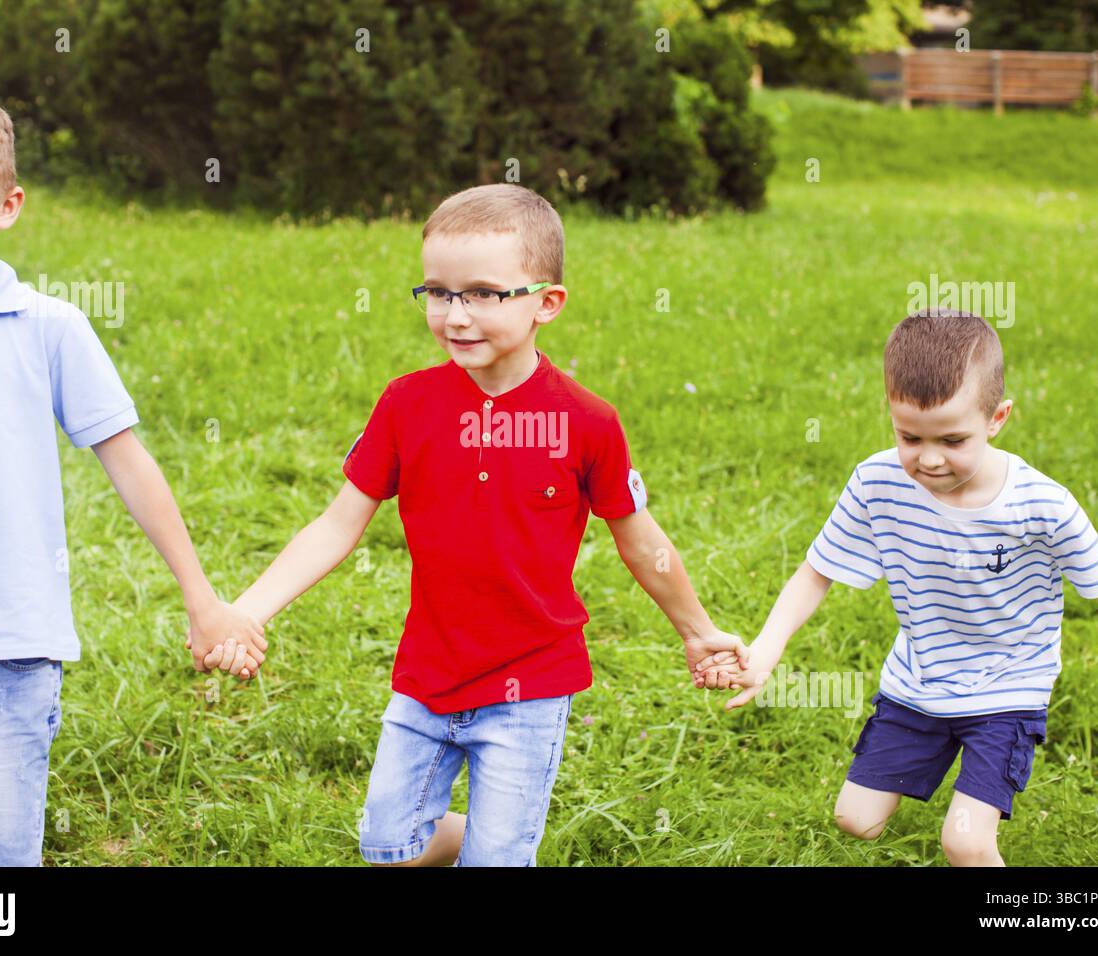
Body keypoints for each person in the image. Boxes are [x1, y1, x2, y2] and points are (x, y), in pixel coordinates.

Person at [221, 183, 747, 866]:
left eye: (484, 294)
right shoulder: (407, 404)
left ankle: (502, 847)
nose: (455, 315)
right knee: (387, 848)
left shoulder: (587, 422)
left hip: (529, 684)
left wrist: (699, 632)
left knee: (497, 862)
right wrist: (248, 610)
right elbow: (336, 525)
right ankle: (493, 841)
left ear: (547, 303)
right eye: (438, 292)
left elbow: (640, 540)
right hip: (427, 677)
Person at [0, 81, 267, 867]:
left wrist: (202, 598)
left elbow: (129, 465)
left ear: (7, 205)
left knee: (4, 867)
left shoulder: (50, 327)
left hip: (11, 652)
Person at [697, 309, 1098, 866]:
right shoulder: (877, 483)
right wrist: (765, 655)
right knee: (855, 819)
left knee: (964, 842)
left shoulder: (1041, 504)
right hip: (919, 681)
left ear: (998, 418)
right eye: (909, 436)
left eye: (953, 438)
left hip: (1006, 687)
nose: (930, 459)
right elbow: (816, 572)